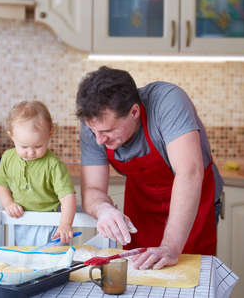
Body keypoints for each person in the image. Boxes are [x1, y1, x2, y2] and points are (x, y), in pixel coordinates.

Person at [76, 66, 223, 270]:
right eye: (94, 132)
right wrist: (103, 209)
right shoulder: (94, 121)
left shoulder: (168, 102)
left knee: (190, 278)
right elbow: (93, 189)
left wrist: (170, 246)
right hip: (142, 208)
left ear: (134, 111)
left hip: (194, 206)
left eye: (107, 131)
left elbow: (189, 173)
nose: (99, 140)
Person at [0, 101, 77, 246]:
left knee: (53, 263)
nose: (31, 152)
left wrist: (65, 223)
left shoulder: (53, 165)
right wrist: (8, 203)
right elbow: (2, 185)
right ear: (11, 136)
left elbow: (67, 197)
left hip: (51, 224)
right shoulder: (8, 158)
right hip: (22, 221)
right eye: (24, 146)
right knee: (25, 260)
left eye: (38, 146)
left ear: (50, 134)